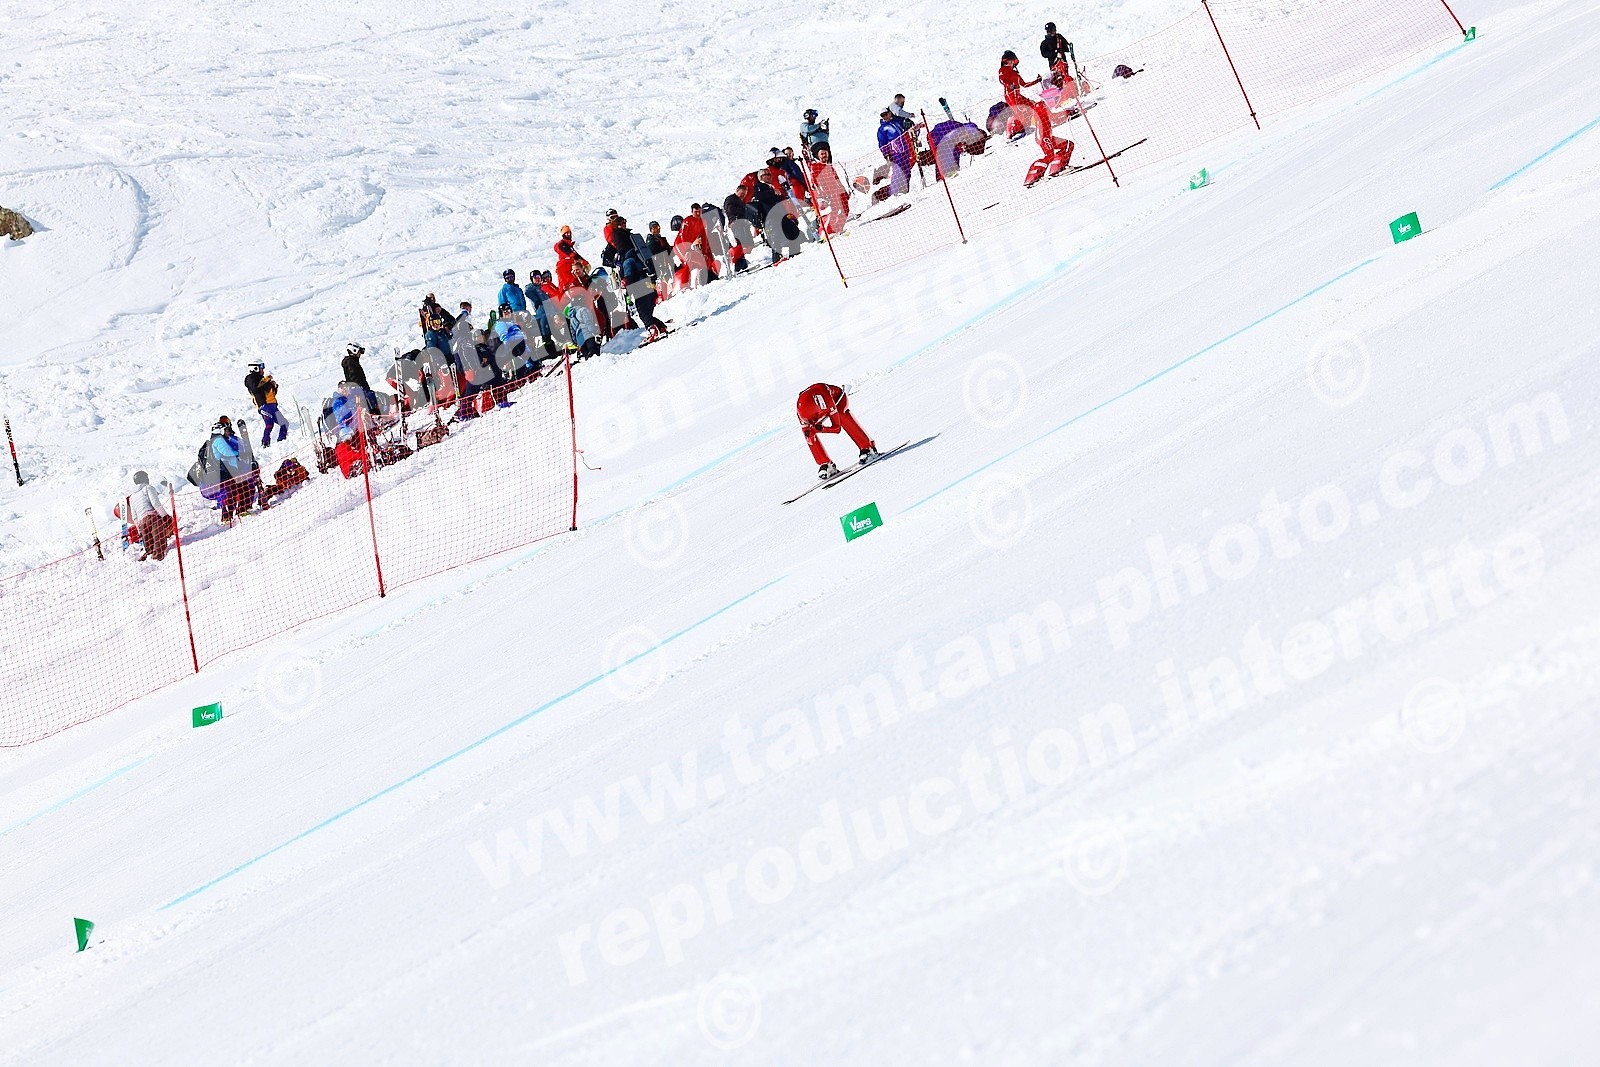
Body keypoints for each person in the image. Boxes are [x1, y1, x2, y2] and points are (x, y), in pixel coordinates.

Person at [999, 49, 1074, 186]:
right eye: (1012, 61)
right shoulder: (1003, 70)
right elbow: (1002, 80)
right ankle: (1033, 174)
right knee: (1049, 153)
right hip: (1013, 99)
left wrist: (1037, 80)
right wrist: (1010, 85)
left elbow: (1024, 84)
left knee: (1067, 145)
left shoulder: (1015, 73)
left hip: (1021, 100)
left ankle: (1058, 167)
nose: (1013, 64)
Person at [797, 383, 878, 479]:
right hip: (819, 408)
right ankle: (825, 464)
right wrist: (811, 433)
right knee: (808, 433)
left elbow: (837, 428)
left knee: (841, 414)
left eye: (814, 419)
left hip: (837, 399)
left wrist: (822, 429)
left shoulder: (825, 400)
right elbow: (808, 433)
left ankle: (867, 447)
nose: (813, 422)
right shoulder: (801, 413)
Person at [617, 243, 668, 339]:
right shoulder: (640, 258)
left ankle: (652, 330)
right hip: (651, 285)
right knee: (647, 314)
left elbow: (629, 277)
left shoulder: (627, 261)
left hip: (641, 287)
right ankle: (661, 327)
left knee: (643, 312)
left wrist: (625, 283)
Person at [125, 471, 174, 562]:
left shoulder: (132, 497)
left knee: (149, 546)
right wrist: (165, 516)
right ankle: (158, 560)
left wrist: (139, 530)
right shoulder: (148, 488)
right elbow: (156, 504)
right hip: (153, 519)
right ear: (144, 479)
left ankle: (148, 560)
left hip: (142, 523)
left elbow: (135, 516)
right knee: (159, 543)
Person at [244, 360, 291, 447]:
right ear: (255, 368)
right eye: (261, 368)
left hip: (273, 406)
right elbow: (255, 387)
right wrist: (266, 379)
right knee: (269, 424)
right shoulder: (250, 378)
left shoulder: (263, 380)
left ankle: (281, 443)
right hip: (264, 406)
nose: (263, 370)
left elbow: (271, 394)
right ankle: (265, 444)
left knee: (284, 423)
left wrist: (274, 386)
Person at [807, 144, 851, 236]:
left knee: (846, 209)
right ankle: (831, 230)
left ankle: (837, 228)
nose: (824, 156)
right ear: (818, 155)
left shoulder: (829, 165)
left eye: (826, 153)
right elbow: (814, 181)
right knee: (835, 210)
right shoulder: (816, 166)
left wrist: (844, 192)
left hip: (838, 190)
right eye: (822, 154)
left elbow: (837, 179)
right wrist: (821, 193)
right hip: (829, 192)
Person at [877, 109, 913, 197]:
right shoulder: (883, 128)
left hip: (904, 150)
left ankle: (905, 190)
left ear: (889, 113)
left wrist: (909, 123)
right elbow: (882, 143)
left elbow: (907, 125)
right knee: (898, 172)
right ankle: (895, 192)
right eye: (882, 115)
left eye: (886, 114)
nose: (885, 117)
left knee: (907, 170)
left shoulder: (897, 121)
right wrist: (886, 154)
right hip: (895, 153)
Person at [342, 343, 379, 414]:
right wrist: (359, 388)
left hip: (359, 388)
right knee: (370, 397)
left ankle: (374, 413)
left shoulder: (353, 361)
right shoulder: (351, 362)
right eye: (360, 352)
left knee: (372, 396)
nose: (360, 354)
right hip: (357, 389)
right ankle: (374, 414)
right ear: (354, 350)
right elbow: (354, 376)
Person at [419, 293, 456, 357]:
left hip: (447, 354)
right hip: (431, 334)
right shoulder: (426, 309)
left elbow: (451, 319)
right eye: (430, 298)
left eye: (433, 298)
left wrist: (447, 325)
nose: (432, 299)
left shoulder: (443, 331)